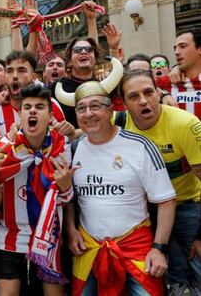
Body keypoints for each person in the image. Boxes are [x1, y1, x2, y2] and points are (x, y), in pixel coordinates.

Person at [62, 79, 176, 295]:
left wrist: (159, 249)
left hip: (136, 248)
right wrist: (70, 230)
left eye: (95, 106)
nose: (88, 114)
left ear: (111, 110)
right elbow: (67, 197)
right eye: (81, 108)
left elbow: (166, 200)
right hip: (88, 249)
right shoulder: (72, 149)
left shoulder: (140, 146)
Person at [0, 84, 75, 296]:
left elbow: (65, 198)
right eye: (27, 107)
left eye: (40, 107)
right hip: (11, 235)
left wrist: (65, 187)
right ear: (20, 113)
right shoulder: (5, 146)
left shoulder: (61, 146)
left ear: (50, 115)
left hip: (48, 235)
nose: (33, 111)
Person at [117, 69, 201, 295]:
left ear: (158, 93)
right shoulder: (119, 122)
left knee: (194, 269)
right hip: (146, 211)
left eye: (148, 92)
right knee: (162, 275)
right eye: (134, 97)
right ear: (124, 104)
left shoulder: (186, 125)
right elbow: (85, 129)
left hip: (187, 207)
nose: (143, 101)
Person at [0, 50, 73, 141]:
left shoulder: (51, 104)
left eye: (21, 70)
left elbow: (63, 142)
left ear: (33, 77)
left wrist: (70, 133)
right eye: (10, 71)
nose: (15, 76)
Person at [156, 28, 201, 119]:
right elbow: (135, 82)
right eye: (175, 48)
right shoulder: (167, 82)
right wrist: (163, 94)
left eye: (183, 46)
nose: (176, 52)